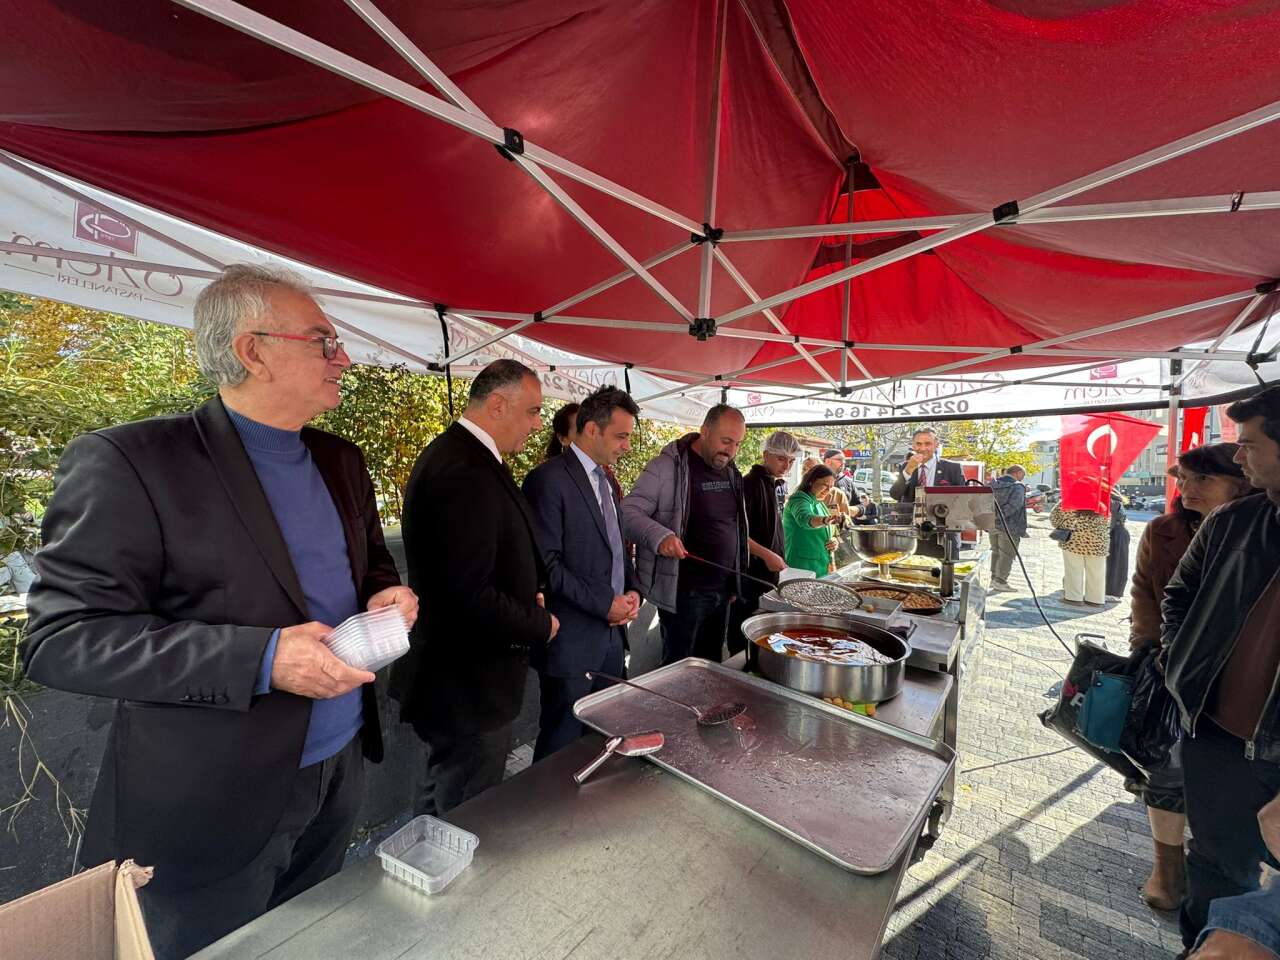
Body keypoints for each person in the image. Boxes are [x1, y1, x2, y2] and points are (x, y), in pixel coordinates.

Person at [21, 265, 418, 960]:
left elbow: (365, 565)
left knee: (306, 940)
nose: (345, 358)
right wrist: (262, 659)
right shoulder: (132, 460)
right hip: (211, 799)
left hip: (340, 768)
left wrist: (386, 590)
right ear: (251, 350)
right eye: (324, 340)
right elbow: (62, 639)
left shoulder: (341, 461)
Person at [390, 359, 557, 816]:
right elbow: (466, 595)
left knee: (444, 795)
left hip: (470, 683)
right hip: (467, 686)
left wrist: (528, 589)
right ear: (498, 405)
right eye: (533, 411)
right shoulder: (461, 467)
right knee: (464, 809)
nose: (539, 423)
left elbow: (485, 560)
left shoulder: (473, 458)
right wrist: (539, 622)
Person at [1162, 384, 1280, 951]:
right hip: (1216, 735)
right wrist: (1178, 662)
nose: (1238, 456)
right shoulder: (1235, 522)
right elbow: (1177, 596)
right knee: (1214, 868)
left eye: (1250, 443)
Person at [1126, 443, 1256, 913]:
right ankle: (1167, 867)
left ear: (1239, 482)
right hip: (1169, 667)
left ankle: (1225, 874)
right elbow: (1146, 592)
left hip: (1240, 681)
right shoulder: (1163, 530)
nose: (1187, 489)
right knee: (1164, 769)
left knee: (1227, 784)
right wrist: (1150, 647)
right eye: (1183, 478)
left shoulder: (1258, 532)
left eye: (1202, 480)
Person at [522, 386, 641, 760]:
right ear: (591, 429)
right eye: (620, 436)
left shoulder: (606, 481)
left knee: (600, 738)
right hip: (571, 640)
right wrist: (605, 602)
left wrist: (633, 589)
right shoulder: (548, 480)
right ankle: (545, 812)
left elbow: (616, 548)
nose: (626, 446)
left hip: (611, 638)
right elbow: (547, 563)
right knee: (560, 741)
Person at [622, 403, 750, 665]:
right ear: (704, 431)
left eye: (737, 444)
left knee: (710, 664)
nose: (731, 450)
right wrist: (661, 537)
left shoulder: (732, 471)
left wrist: (735, 579)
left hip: (722, 589)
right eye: (726, 441)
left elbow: (733, 527)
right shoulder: (665, 467)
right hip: (684, 593)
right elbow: (627, 512)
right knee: (678, 668)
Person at [726, 431, 797, 656]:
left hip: (767, 576)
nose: (786, 465)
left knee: (763, 634)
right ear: (766, 455)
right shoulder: (750, 485)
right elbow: (735, 532)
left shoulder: (773, 485)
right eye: (781, 458)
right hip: (750, 576)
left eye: (791, 460)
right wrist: (767, 555)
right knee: (744, 634)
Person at [890, 427, 966, 557]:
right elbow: (895, 494)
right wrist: (908, 470)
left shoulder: (953, 468)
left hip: (943, 537)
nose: (923, 448)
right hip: (912, 536)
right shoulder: (905, 466)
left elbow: (962, 501)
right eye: (918, 444)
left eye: (928, 444)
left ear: (936, 445)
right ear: (913, 445)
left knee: (944, 575)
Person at [1049, 489, 1110, 606]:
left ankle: (1074, 597)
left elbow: (1054, 518)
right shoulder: (1101, 504)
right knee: (1097, 572)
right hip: (1098, 542)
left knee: (1073, 569)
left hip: (1075, 541)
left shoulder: (1069, 501)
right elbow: (1107, 523)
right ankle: (1095, 599)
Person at [784, 464, 843, 577]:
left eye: (831, 486)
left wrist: (834, 541)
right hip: (801, 568)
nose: (828, 490)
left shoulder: (818, 503)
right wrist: (826, 520)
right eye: (825, 485)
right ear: (811, 481)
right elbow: (805, 518)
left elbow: (830, 531)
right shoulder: (799, 499)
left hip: (820, 567)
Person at [988, 464, 1028, 592]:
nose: (1023, 478)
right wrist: (1001, 517)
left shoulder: (992, 485)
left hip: (992, 524)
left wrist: (992, 517)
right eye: (1023, 474)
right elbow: (1014, 505)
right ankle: (1000, 581)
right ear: (1017, 473)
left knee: (995, 551)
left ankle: (993, 578)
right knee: (1007, 554)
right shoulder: (1017, 487)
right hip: (1010, 527)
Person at [1106, 490, 1130, 600]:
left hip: (1116, 535)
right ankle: (1115, 591)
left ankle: (1111, 592)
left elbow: (1110, 523)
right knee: (1120, 563)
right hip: (1121, 533)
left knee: (1113, 563)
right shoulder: (1118, 501)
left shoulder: (1112, 502)